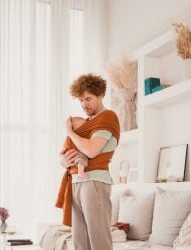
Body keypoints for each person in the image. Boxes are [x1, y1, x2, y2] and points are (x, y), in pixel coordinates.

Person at [55, 73, 120, 250]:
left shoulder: (107, 117)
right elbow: (68, 152)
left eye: (88, 99)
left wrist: (69, 131)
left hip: (94, 181)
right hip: (76, 181)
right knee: (79, 241)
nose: (84, 104)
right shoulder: (84, 123)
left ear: (101, 95)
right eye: (81, 100)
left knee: (98, 238)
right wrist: (64, 160)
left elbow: (91, 150)